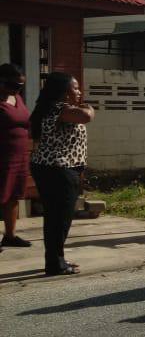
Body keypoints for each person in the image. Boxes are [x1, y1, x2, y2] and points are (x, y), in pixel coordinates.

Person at [29, 72, 93, 275]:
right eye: (74, 88)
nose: (79, 91)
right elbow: (87, 116)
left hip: (51, 168)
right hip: (58, 169)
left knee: (55, 217)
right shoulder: (61, 109)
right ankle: (55, 264)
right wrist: (88, 106)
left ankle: (56, 259)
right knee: (60, 218)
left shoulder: (48, 108)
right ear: (64, 93)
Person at [0, 64, 32, 250]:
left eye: (20, 86)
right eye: (13, 85)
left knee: (13, 195)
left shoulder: (17, 97)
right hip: (2, 155)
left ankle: (10, 236)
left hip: (19, 156)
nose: (17, 89)